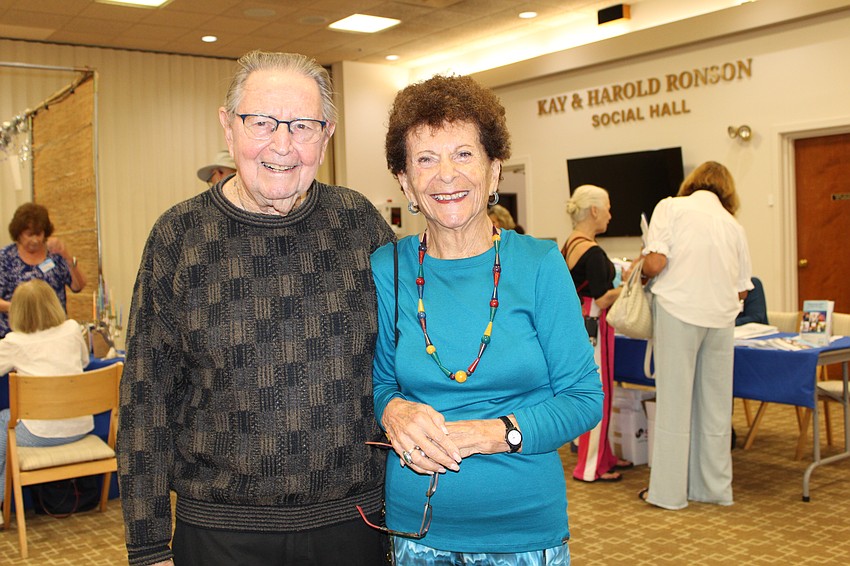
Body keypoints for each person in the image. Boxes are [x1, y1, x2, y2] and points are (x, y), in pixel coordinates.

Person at [117, 50, 395, 566]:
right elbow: (145, 398)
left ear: (327, 134)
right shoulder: (178, 237)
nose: (283, 146)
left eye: (304, 126)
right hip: (219, 535)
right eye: (262, 123)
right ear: (228, 127)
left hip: (353, 528)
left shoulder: (359, 225)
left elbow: (404, 363)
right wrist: (149, 545)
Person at [368, 74, 603, 564]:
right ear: (405, 182)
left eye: (463, 154)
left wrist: (492, 433)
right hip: (416, 530)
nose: (445, 175)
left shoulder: (538, 264)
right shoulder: (387, 268)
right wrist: (392, 411)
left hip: (521, 528)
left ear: (494, 172)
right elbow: (379, 383)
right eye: (425, 159)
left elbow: (584, 399)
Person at [639, 161, 753, 510]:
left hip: (679, 310)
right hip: (720, 318)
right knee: (716, 407)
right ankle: (713, 488)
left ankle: (669, 494)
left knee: (675, 404)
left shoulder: (671, 206)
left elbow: (655, 264)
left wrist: (640, 268)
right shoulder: (733, 225)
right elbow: (742, 291)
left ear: (693, 182)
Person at [0, 279, 92, 511]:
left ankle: (2, 501)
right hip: (80, 427)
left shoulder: (14, 342)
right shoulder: (72, 329)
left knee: (3, 422)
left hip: (42, 434)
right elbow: (84, 361)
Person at [562, 184, 632, 482]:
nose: (610, 215)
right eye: (607, 208)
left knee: (591, 391)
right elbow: (602, 298)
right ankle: (591, 466)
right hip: (594, 326)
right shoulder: (591, 251)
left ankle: (601, 457)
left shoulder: (571, 243)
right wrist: (630, 286)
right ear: (593, 210)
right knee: (598, 394)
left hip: (581, 324)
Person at [0, 203, 87, 338]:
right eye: (29, 235)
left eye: (39, 234)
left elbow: (78, 286)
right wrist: (19, 308)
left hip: (55, 335)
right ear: (18, 233)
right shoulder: (5, 258)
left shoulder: (54, 254)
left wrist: (67, 256)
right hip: (16, 338)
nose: (35, 240)